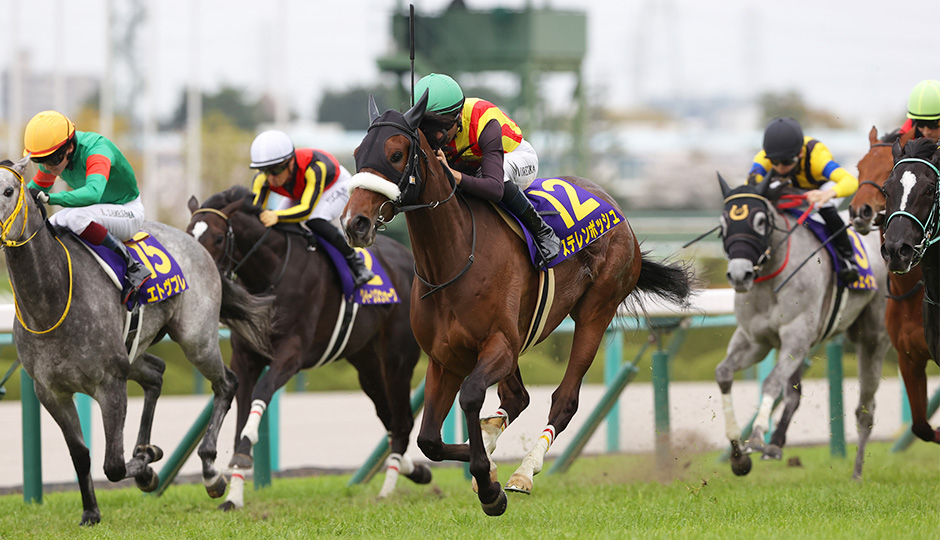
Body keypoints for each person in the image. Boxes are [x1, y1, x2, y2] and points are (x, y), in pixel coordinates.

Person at [413, 73, 560, 267]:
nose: (433, 136)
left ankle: (543, 232)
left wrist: (453, 175)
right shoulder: (431, 131)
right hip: (473, 165)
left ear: (457, 118)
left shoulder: (484, 120)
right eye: (426, 128)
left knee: (486, 174)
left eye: (438, 129)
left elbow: (495, 188)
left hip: (516, 158)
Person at [23, 110, 153, 307]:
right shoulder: (55, 156)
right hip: (96, 210)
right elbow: (32, 191)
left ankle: (133, 266)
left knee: (75, 218)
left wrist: (51, 198)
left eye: (52, 160)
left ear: (69, 147)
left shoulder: (97, 150)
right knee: (51, 223)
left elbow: (93, 193)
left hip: (127, 211)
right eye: (40, 161)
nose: (47, 167)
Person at [248, 129, 375, 287]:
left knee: (314, 220)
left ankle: (357, 264)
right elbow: (252, 214)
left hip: (333, 185)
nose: (271, 178)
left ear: (291, 162)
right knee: (275, 220)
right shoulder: (262, 179)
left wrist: (277, 216)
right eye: (265, 171)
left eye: (276, 170)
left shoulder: (315, 168)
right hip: (301, 192)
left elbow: (306, 210)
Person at [747, 117, 860, 283]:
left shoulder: (817, 156)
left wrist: (827, 194)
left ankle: (848, 259)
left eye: (786, 161)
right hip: (793, 188)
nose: (780, 168)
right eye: (775, 162)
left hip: (821, 188)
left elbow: (850, 181)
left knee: (825, 206)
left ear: (800, 154)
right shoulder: (762, 158)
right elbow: (750, 187)